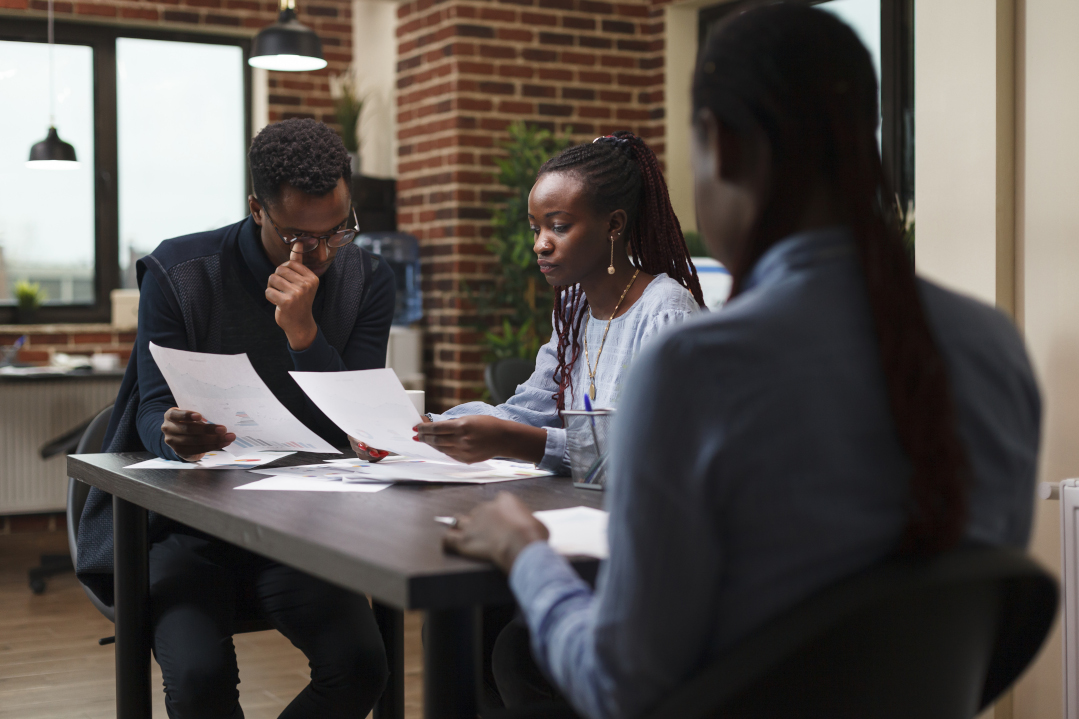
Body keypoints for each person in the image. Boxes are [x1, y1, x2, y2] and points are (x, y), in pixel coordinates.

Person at [439, 5, 1042, 719]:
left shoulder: (694, 367)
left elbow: (617, 685)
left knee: (506, 656)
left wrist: (523, 551)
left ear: (716, 147)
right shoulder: (995, 347)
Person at [76, 118, 394, 718]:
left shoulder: (364, 280)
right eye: (301, 236)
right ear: (257, 209)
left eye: (339, 231)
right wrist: (173, 436)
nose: (321, 254)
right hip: (188, 528)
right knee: (199, 683)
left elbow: (354, 427)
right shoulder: (181, 272)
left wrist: (305, 336)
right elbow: (149, 407)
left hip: (300, 525)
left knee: (361, 669)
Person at [410, 132, 706, 472]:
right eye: (536, 229)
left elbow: (654, 448)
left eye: (559, 227)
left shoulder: (665, 311)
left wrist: (513, 440)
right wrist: (425, 427)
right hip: (574, 507)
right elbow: (530, 411)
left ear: (614, 225)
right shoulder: (573, 307)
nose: (540, 245)